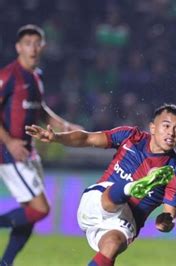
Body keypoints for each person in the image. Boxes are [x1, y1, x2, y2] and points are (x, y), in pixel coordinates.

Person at [26, 103, 176, 266]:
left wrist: (165, 223)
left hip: (125, 222)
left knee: (112, 245)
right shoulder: (131, 136)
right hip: (98, 201)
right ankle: (130, 187)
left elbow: (168, 219)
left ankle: (131, 187)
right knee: (111, 199)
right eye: (166, 125)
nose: (171, 132)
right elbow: (87, 138)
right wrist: (56, 137)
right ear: (152, 127)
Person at [0, 24, 82, 265]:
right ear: (18, 47)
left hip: (27, 151)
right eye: (28, 43)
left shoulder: (37, 76)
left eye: (37, 43)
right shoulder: (8, 76)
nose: (33, 48)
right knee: (40, 209)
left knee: (30, 215)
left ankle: (6, 262)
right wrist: (10, 141)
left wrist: (65, 125)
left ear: (43, 46)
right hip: (9, 151)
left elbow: (41, 109)